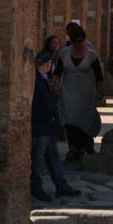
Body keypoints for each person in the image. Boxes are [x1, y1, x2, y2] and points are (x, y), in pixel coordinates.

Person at [30, 51, 80, 202]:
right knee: (38, 159)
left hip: (47, 127)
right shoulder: (36, 80)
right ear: (47, 65)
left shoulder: (42, 80)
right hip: (42, 126)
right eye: (50, 64)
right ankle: (36, 188)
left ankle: (61, 186)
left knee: (53, 158)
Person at [55, 25, 103, 161]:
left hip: (87, 93)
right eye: (76, 42)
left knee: (85, 118)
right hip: (68, 92)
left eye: (80, 42)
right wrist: (54, 86)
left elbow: (99, 76)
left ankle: (82, 146)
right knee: (70, 120)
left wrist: (100, 92)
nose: (79, 44)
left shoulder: (92, 55)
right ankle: (73, 147)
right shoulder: (64, 53)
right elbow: (57, 72)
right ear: (72, 41)